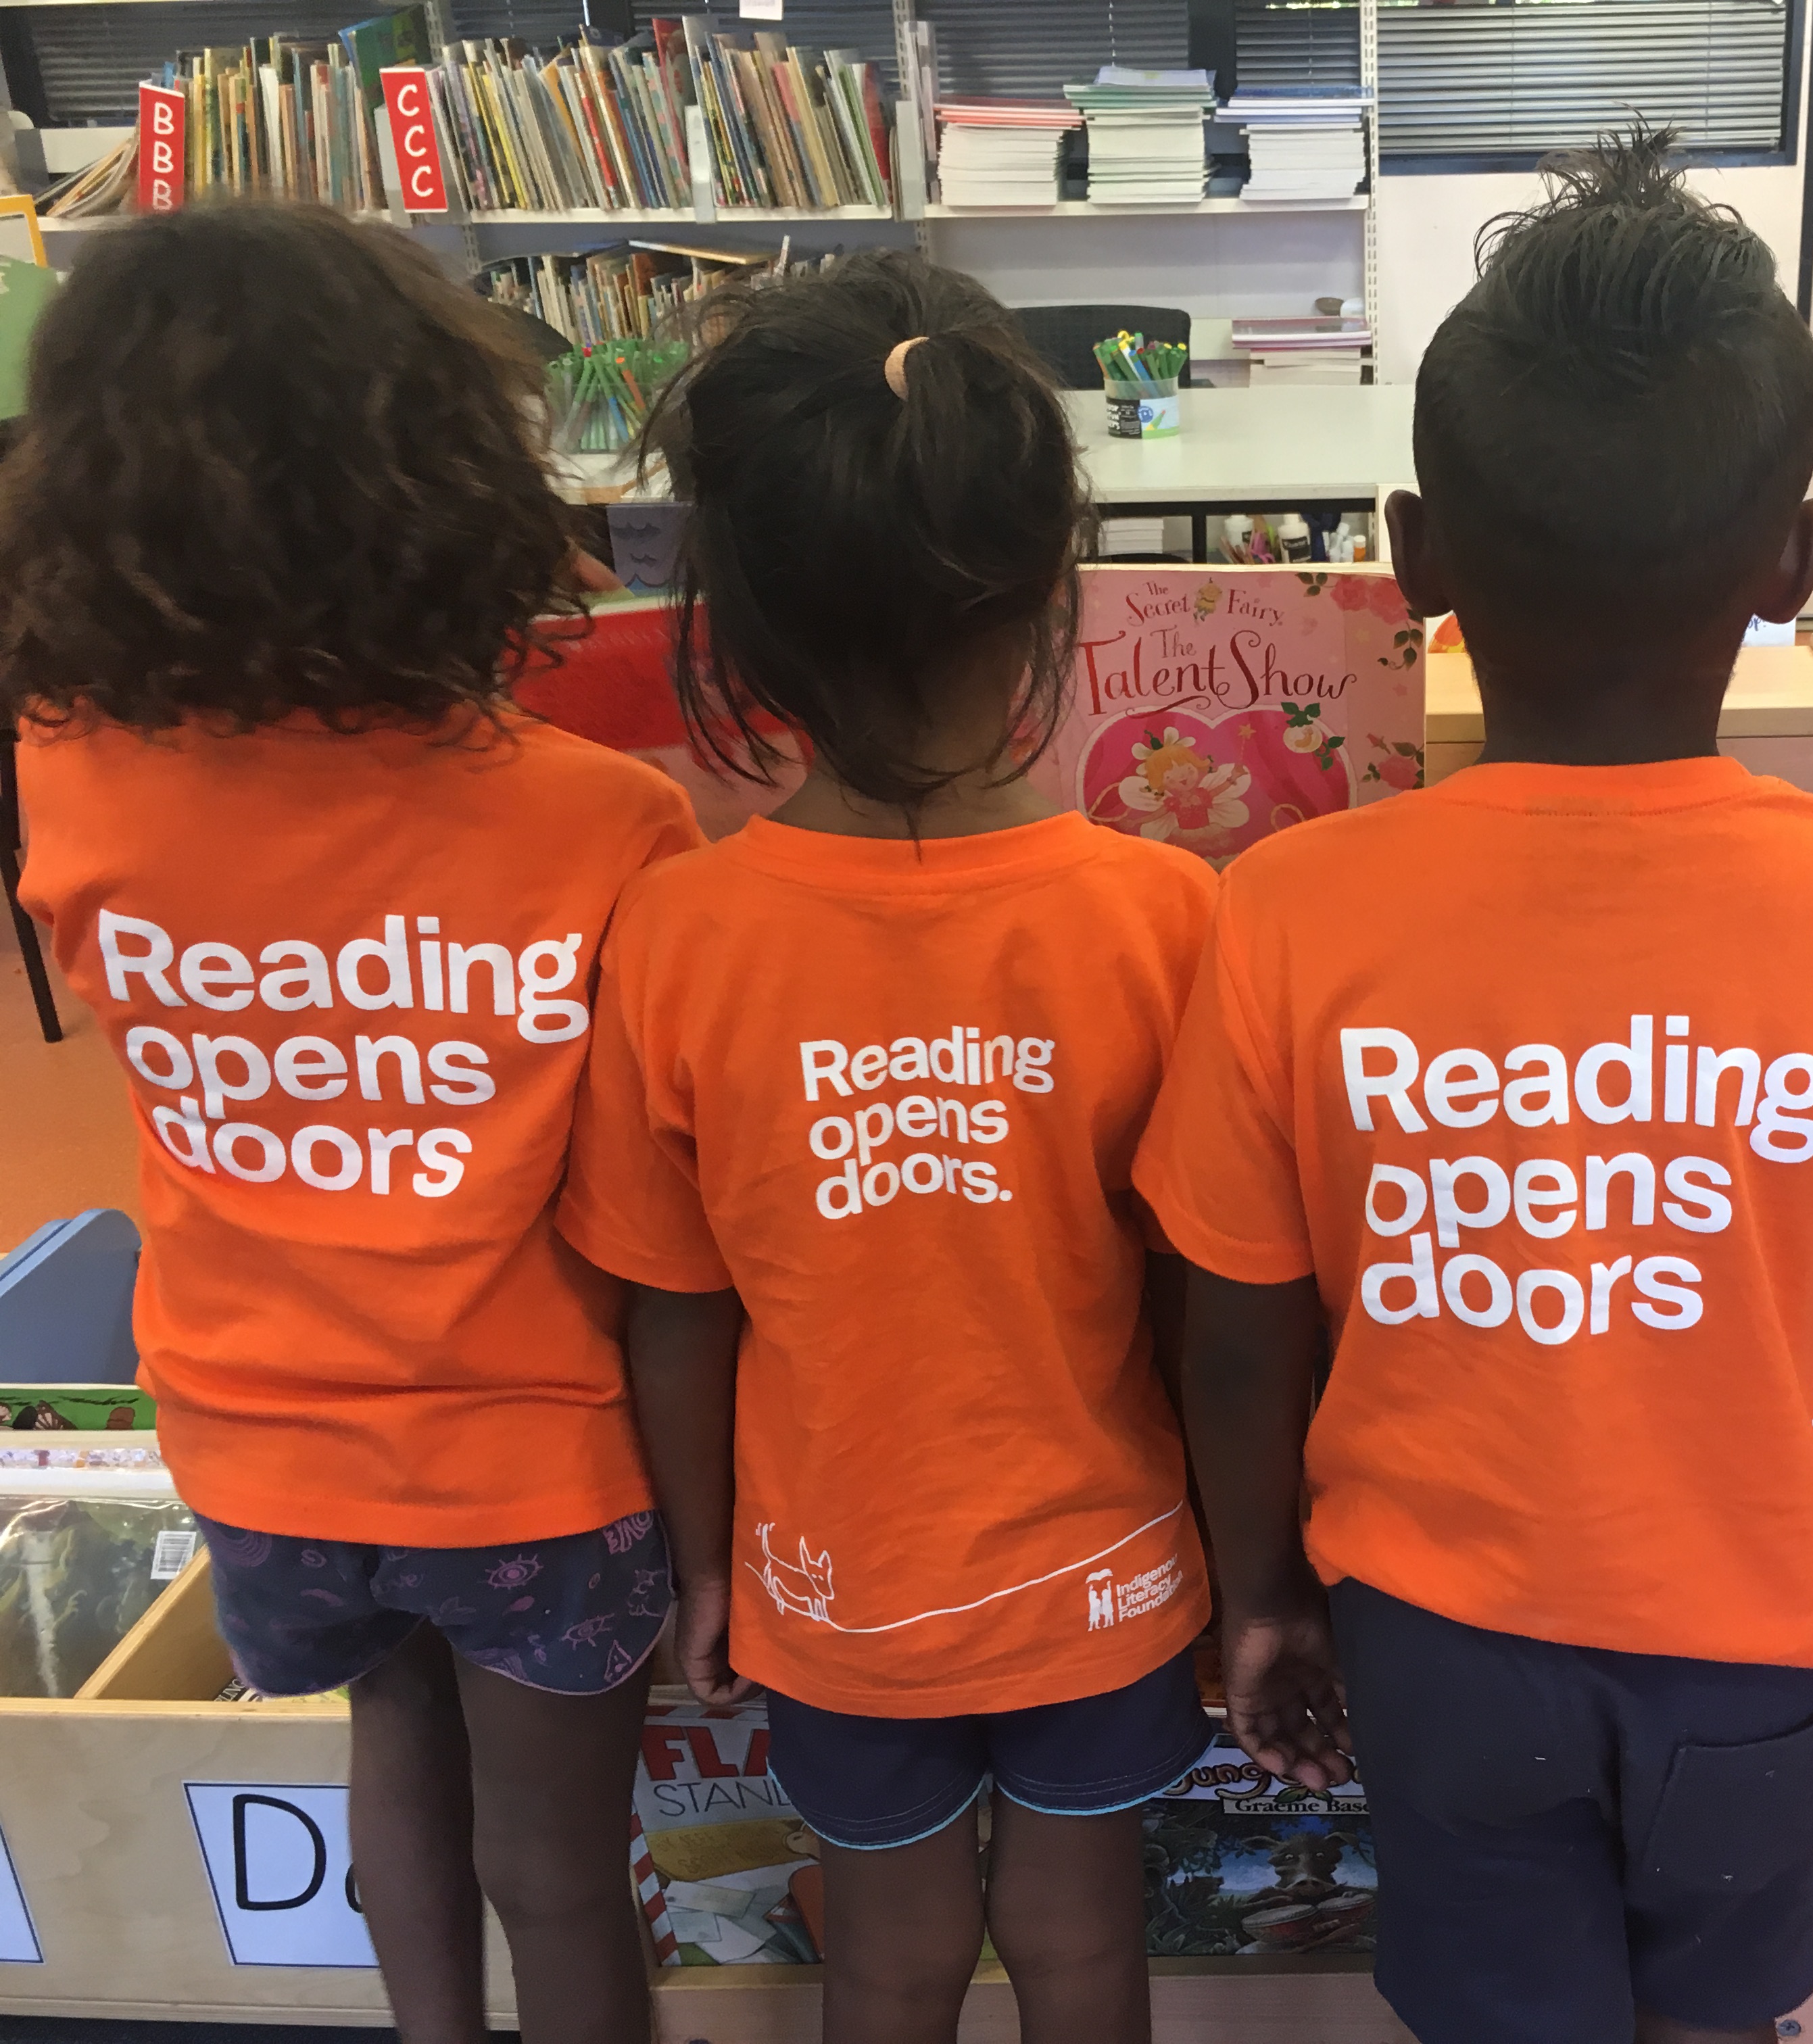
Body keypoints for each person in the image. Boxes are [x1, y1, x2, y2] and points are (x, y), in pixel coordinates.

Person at [1135, 133, 1813, 2044]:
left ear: (1413, 555)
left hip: (1440, 1652)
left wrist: (1262, 1595)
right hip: (1767, 1642)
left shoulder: (1289, 907)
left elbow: (1240, 1327)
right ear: (1794, 563)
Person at [5, 205, 698, 2044]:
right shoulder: (605, 819)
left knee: (389, 1749)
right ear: (453, 482)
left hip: (254, 1437)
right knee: (561, 1869)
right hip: (532, 1452)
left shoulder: (68, 766)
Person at [558, 251, 1213, 2044]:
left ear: (740, 625)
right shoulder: (1167, 919)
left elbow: (675, 1307)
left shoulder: (677, 937)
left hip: (832, 1591)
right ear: (1052, 582)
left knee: (889, 1958)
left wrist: (706, 1564)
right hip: (1111, 1576)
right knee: (1086, 1948)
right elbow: (1208, 1296)